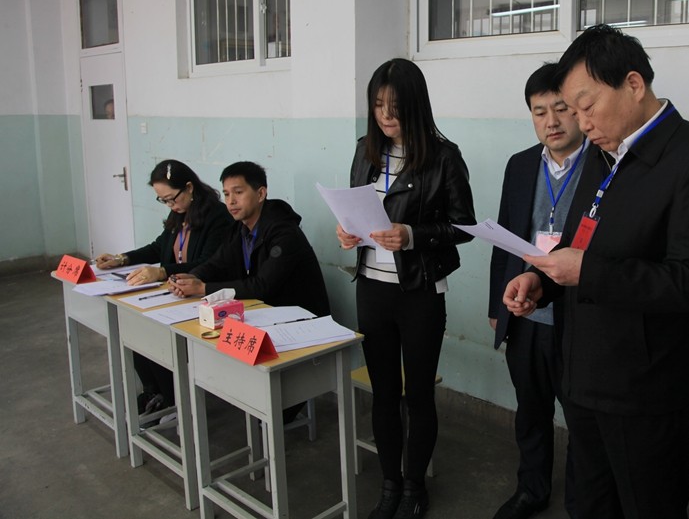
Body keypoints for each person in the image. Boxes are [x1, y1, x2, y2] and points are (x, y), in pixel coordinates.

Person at [503, 24, 689, 519]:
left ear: (633, 84)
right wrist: (541, 282)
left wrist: (589, 272)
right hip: (583, 375)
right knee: (588, 505)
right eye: (574, 110)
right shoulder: (602, 155)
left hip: (645, 389)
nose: (581, 123)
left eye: (587, 106)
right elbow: (579, 241)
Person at [336, 58, 475, 519]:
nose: (385, 115)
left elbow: (464, 226)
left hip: (419, 292)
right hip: (372, 288)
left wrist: (412, 235)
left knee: (417, 394)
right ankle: (390, 484)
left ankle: (415, 486)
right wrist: (347, 232)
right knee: (383, 392)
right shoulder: (365, 150)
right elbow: (356, 207)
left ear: (415, 105)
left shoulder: (443, 157)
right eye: (378, 104)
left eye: (395, 106)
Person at [489, 63, 583, 519]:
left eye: (560, 108)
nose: (551, 121)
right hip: (524, 314)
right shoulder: (521, 164)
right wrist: (497, 306)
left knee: (582, 418)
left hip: (577, 319)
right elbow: (505, 238)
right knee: (531, 411)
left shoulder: (603, 164)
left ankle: (584, 500)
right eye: (539, 111)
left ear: (578, 109)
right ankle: (532, 488)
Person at [95, 159, 231, 413]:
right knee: (135, 329)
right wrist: (122, 259)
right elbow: (159, 246)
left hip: (200, 295)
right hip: (174, 292)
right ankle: (155, 391)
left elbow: (209, 262)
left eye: (171, 199)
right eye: (163, 201)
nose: (170, 205)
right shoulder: (179, 212)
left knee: (156, 337)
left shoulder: (218, 216)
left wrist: (161, 271)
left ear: (189, 187)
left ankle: (173, 400)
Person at [168, 161, 329, 317]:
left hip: (300, 321)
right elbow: (217, 264)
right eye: (226, 194)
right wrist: (191, 278)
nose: (231, 201)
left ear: (260, 194)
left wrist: (202, 288)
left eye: (238, 192)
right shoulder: (239, 228)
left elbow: (262, 285)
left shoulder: (284, 231)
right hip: (262, 314)